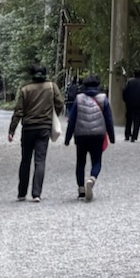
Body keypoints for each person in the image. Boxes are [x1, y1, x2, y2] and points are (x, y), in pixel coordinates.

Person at [8, 64, 63, 201]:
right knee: (40, 160)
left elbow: (18, 111)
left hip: (28, 128)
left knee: (25, 160)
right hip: (44, 127)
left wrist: (12, 130)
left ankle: (22, 193)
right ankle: (36, 193)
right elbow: (60, 103)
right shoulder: (51, 87)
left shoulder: (25, 89)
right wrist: (52, 115)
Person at [72, 73, 115, 201]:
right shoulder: (103, 98)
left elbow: (72, 119)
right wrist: (112, 136)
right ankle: (92, 179)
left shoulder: (79, 98)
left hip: (81, 135)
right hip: (98, 135)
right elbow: (108, 119)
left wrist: (68, 137)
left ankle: (81, 189)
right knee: (96, 161)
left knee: (80, 162)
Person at [122, 70, 140, 141]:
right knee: (137, 120)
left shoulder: (129, 81)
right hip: (138, 103)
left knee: (128, 120)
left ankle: (127, 134)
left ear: (134, 74)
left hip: (129, 103)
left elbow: (124, 91)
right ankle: (134, 136)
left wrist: (125, 100)